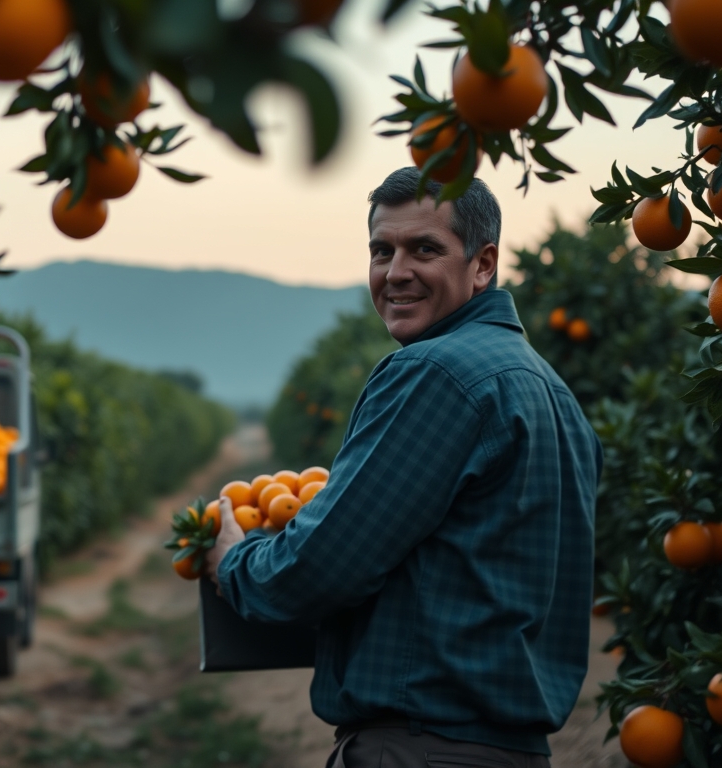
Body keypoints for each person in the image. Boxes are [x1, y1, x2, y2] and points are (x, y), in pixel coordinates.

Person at [205, 167, 602, 767]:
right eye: (381, 251)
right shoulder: (556, 396)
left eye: (425, 249)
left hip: (421, 747)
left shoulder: (436, 373)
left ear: (483, 263)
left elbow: (320, 567)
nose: (395, 272)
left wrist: (234, 562)